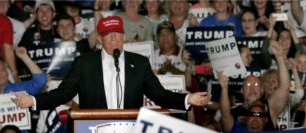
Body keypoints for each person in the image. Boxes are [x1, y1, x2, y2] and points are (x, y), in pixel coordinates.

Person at [13, 16, 210, 111]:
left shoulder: (139, 63)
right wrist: (34, 101)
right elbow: (63, 93)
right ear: (100, 39)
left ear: (124, 37)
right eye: (108, 35)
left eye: (118, 34)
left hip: (130, 132)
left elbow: (159, 95)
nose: (114, 38)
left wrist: (187, 99)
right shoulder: (84, 63)